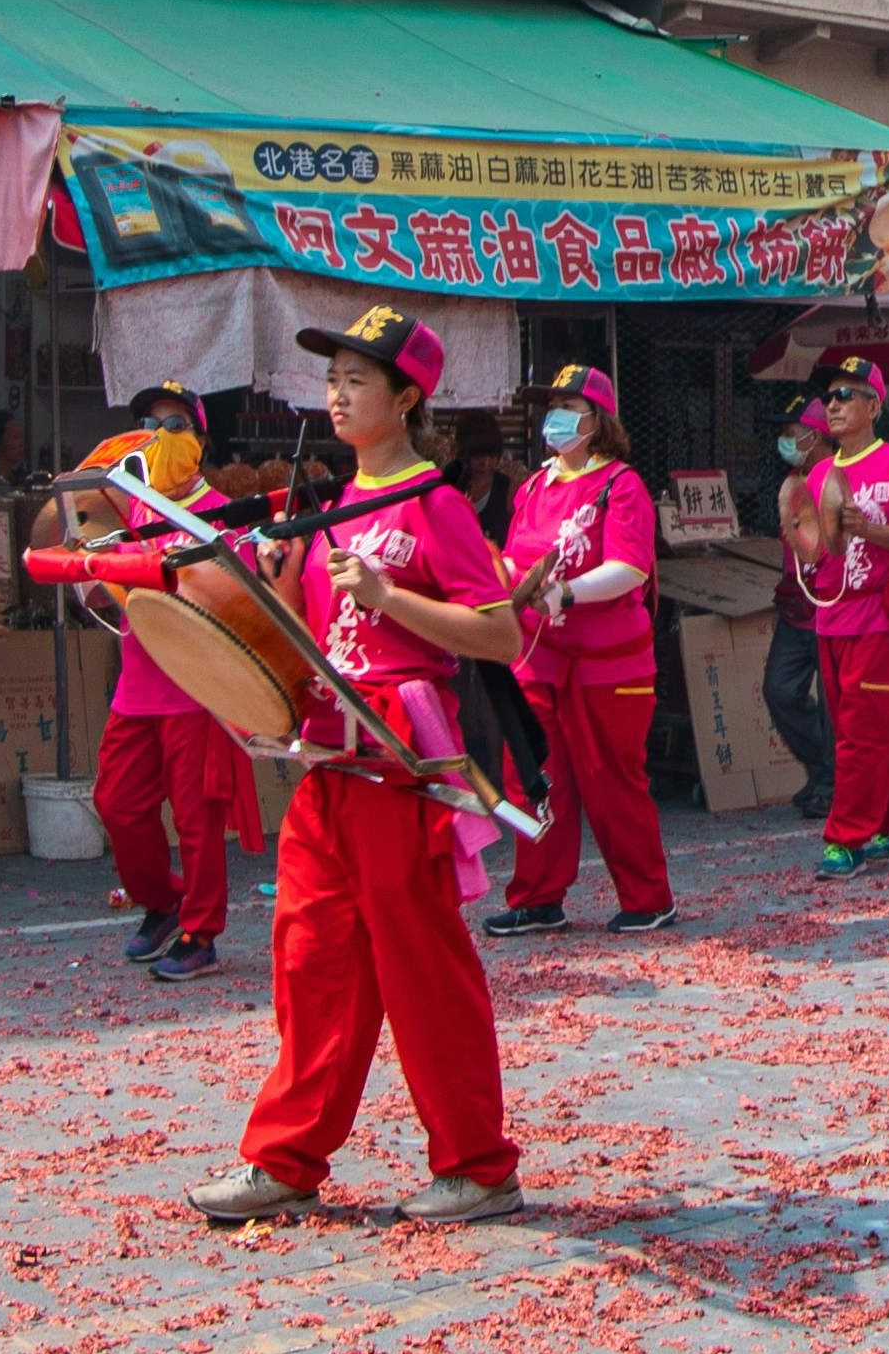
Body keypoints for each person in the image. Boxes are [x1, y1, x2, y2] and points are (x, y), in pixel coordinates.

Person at [185, 312, 533, 1221]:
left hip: (399, 755)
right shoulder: (328, 505)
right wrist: (269, 577)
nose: (337, 395)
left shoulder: (435, 504)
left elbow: (500, 632)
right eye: (332, 378)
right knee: (310, 957)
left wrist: (388, 597)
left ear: (407, 399)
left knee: (421, 961)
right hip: (328, 751)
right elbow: (311, 638)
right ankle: (286, 1157)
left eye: (357, 381)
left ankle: (479, 1164)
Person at [56, 386, 262, 979]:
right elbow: (90, 580)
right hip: (138, 687)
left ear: (200, 440)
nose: (159, 433)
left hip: (195, 689)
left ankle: (201, 931)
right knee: (116, 804)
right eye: (148, 423)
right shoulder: (127, 510)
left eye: (174, 424)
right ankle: (163, 901)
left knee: (197, 820)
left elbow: (237, 604)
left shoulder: (220, 511)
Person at [483, 364, 671, 940]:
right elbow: (517, 561)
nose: (555, 417)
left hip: (607, 661)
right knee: (534, 778)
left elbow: (630, 567)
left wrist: (567, 592)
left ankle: (647, 895)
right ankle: (537, 896)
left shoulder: (621, 484)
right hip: (539, 655)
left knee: (611, 778)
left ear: (598, 420)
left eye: (570, 406)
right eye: (552, 405)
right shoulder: (534, 487)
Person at [786, 359, 889, 874]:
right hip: (832, 617)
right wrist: (799, 534)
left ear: (874, 406)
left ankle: (845, 839)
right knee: (858, 727)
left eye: (846, 395)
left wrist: (869, 531)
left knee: (859, 732)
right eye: (830, 397)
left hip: (880, 616)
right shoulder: (823, 472)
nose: (833, 405)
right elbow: (817, 548)